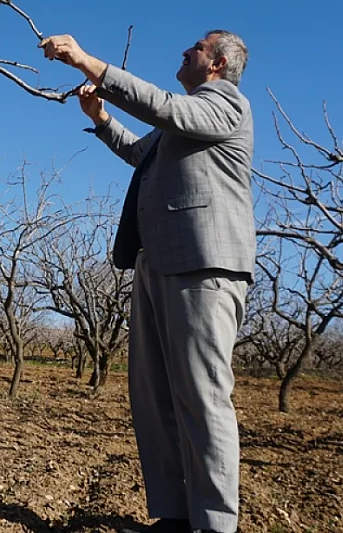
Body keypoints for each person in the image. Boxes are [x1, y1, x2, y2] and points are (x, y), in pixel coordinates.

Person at [39, 31, 254, 533]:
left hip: (204, 264)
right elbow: (143, 153)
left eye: (196, 48)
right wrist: (102, 120)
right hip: (157, 261)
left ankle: (216, 524)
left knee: (203, 396)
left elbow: (162, 108)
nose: (183, 51)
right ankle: (177, 515)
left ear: (218, 64)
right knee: (154, 397)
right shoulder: (181, 121)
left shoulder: (227, 106)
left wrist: (88, 62)